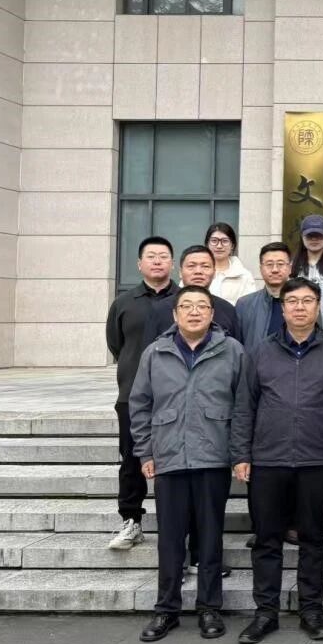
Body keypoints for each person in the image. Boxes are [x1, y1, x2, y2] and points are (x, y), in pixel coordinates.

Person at [231, 276, 323, 644]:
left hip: (316, 460)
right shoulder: (260, 351)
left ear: (318, 307)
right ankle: (265, 613)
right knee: (267, 539)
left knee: (313, 538)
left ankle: (311, 610)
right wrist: (241, 454)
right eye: (292, 302)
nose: (300, 307)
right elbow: (244, 406)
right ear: (282, 308)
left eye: (307, 301)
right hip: (268, 460)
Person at [129, 285, 249, 642]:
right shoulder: (156, 352)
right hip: (169, 457)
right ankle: (166, 609)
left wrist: (240, 454)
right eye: (187, 306)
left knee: (210, 538)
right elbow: (140, 405)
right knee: (169, 540)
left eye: (201, 306)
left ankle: (209, 607)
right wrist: (145, 452)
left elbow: (243, 405)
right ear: (175, 314)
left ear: (212, 314)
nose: (194, 312)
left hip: (213, 456)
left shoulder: (232, 350)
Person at [105, 235, 176, 551]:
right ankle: (131, 520)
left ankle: (177, 524)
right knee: (132, 459)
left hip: (175, 395)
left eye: (163, 256)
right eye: (151, 256)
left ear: (172, 263)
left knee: (175, 461)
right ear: (139, 264)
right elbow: (116, 344)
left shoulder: (184, 300)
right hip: (133, 396)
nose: (157, 261)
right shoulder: (124, 303)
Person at [144, 245, 240, 346]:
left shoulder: (227, 310)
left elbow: (235, 351)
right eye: (191, 266)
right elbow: (149, 352)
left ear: (214, 273)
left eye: (205, 266)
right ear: (180, 272)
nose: (198, 271)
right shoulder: (159, 310)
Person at [235, 242, 293, 354]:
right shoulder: (244, 304)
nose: (275, 269)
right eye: (269, 264)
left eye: (280, 264)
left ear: (290, 268)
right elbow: (237, 347)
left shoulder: (305, 303)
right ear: (261, 269)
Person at [205, 222, 256, 304]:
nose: (219, 246)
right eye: (214, 241)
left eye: (225, 241)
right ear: (207, 244)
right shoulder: (197, 272)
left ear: (232, 245)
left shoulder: (244, 275)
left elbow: (249, 306)